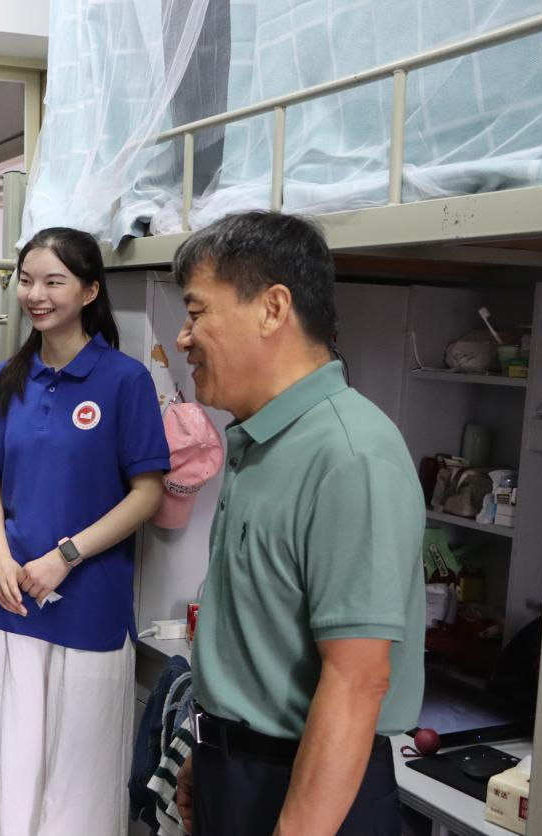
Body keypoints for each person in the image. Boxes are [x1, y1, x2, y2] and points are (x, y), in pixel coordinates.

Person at [171, 211, 425, 836]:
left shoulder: (350, 455)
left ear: (273, 308)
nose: (182, 337)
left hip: (310, 791)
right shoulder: (260, 440)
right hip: (239, 768)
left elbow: (357, 679)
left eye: (196, 312)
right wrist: (214, 748)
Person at [0, 227, 170, 836]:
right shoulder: (7, 378)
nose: (36, 295)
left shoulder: (124, 380)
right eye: (27, 281)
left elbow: (148, 493)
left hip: (90, 604)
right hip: (13, 602)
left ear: (89, 291)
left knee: (81, 773)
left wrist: (67, 556)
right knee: (16, 765)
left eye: (53, 281)